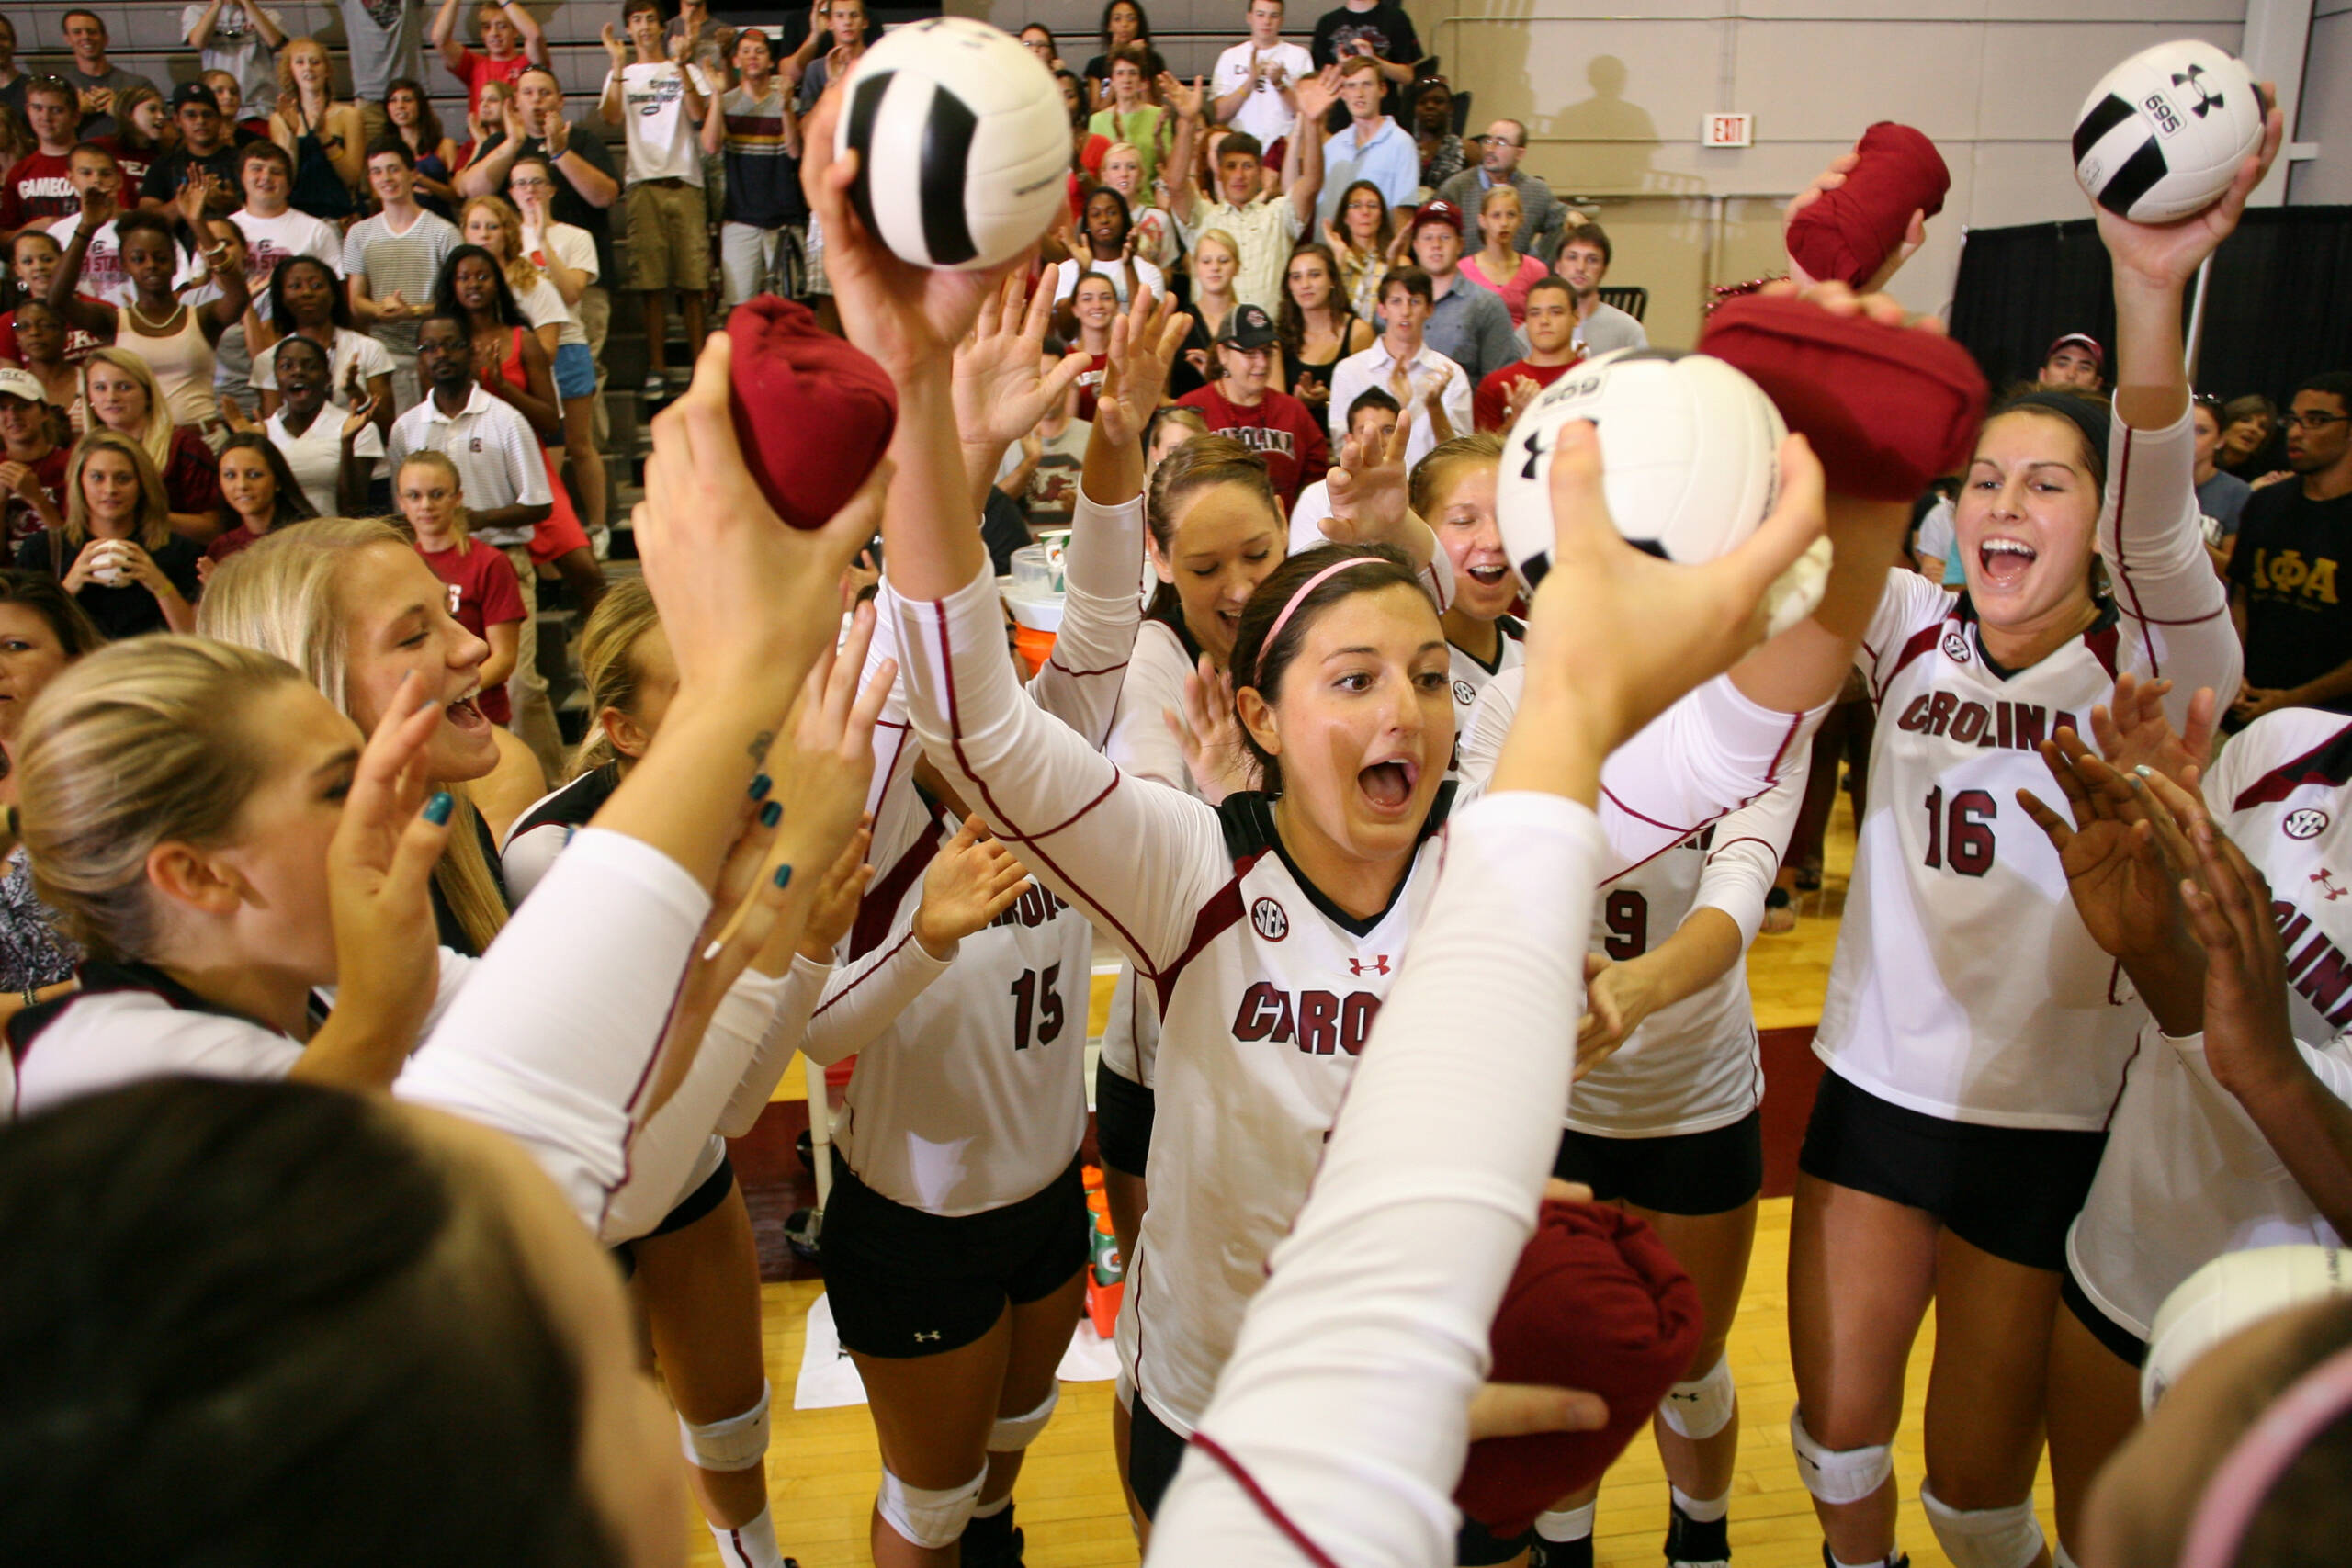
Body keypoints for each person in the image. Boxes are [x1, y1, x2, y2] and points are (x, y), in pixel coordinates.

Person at [1781, 109, 2273, 1568]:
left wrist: (2144, 282)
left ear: (2093, 521)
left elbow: (2163, 513)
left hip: (2052, 1119)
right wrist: (1844, 293)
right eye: (1983, 478)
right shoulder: (1909, 627)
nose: (2005, 500)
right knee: (1836, 1440)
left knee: (1975, 1499)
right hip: (1876, 1086)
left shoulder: (2157, 666)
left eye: (2046, 482)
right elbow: (1811, 471)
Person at [389, 310, 562, 771]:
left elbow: (540, 502)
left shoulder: (505, 419)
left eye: (450, 344)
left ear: (470, 351)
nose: (440, 355)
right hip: (431, 563)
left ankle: (542, 779)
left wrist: (468, 521)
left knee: (522, 684)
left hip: (499, 557)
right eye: (429, 347)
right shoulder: (406, 427)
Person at [456, 67, 622, 387]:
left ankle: (587, 438)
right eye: (528, 93)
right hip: (520, 279)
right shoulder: (500, 142)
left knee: (584, 373)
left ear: (560, 101)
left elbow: (605, 196)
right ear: (515, 103)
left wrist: (560, 152)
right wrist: (513, 142)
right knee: (524, 368)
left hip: (577, 269)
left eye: (544, 93)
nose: (537, 101)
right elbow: (469, 190)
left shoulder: (583, 139)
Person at [53, 195, 248, 450]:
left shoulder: (201, 317)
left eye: (160, 257)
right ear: (124, 264)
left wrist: (197, 224)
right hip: (141, 445)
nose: (151, 265)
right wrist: (86, 228)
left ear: (175, 261)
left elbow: (238, 296)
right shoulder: (113, 321)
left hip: (204, 440)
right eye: (139, 258)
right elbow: (57, 299)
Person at [601, 0, 712, 400]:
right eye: (636, 21)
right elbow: (611, 117)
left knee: (694, 282)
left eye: (650, 20)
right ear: (628, 29)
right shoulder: (623, 74)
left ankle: (703, 367)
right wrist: (615, 67)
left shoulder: (686, 67)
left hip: (685, 179)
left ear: (663, 27)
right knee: (651, 284)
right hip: (642, 183)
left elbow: (700, 113)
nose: (645, 27)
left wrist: (682, 65)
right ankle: (657, 367)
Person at [2227, 372, 2352, 726]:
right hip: (2247, 705)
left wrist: (2292, 700)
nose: (2297, 432)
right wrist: (2235, 672)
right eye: (2293, 420)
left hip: (2329, 723)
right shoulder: (2266, 502)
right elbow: (2241, 597)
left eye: (2317, 421)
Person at [1164, 68, 1338, 314]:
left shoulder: (1278, 215)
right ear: (1219, 171)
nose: (1239, 175)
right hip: (1214, 343)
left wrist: (1310, 122)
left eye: (1247, 166)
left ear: (1260, 171)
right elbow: (1175, 184)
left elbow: (1311, 183)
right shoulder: (1203, 217)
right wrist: (1188, 122)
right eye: (1231, 166)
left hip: (1271, 341)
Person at [0, 569, 96, 992]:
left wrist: (22, 1009)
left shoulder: (123, 784)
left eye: (14, 647)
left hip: (97, 1039)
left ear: (74, 663)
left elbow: (175, 962)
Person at [15, 430, 200, 637]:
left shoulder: (179, 551)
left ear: (142, 484)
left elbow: (192, 638)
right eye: (97, 477)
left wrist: (160, 584)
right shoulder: (43, 550)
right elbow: (24, 636)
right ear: (80, 482)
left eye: (123, 478)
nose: (110, 489)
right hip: (77, 669)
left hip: (152, 666)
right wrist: (68, 588)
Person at [399, 448, 521, 730]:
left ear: (457, 498)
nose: (426, 505)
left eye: (437, 494)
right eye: (414, 496)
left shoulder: (490, 562)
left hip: (480, 713)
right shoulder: (399, 566)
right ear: (401, 502)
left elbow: (503, 658)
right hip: (421, 712)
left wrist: (450, 692)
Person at [345, 140, 462, 414]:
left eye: (393, 169)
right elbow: (355, 301)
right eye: (376, 171)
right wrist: (381, 309)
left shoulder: (444, 233)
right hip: (382, 355)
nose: (385, 178)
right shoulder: (359, 233)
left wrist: (414, 311)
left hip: (433, 354)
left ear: (412, 173)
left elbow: (456, 302)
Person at [1177, 302, 1329, 507]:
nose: (1262, 363)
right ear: (1223, 354)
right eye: (1250, 353)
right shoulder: (1191, 409)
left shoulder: (1294, 412)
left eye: (1267, 352)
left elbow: (1317, 489)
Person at [703, 27, 807, 308]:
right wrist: (715, 95)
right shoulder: (726, 103)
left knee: (788, 308)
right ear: (735, 61)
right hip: (739, 217)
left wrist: (785, 107)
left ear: (771, 61)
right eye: (745, 52)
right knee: (740, 308)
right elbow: (710, 145)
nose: (753, 57)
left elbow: (795, 151)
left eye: (759, 52)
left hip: (784, 216)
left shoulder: (790, 103)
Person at [1326, 265, 1468, 467]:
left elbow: (1460, 457)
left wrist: (1434, 406)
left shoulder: (1451, 373)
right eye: (1396, 301)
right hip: (1370, 487)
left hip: (1432, 488)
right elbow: (1344, 449)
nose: (1405, 311)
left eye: (1415, 301)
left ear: (1429, 309)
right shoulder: (1350, 371)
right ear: (1382, 309)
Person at [77, 347, 223, 542]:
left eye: (123, 387)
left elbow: (215, 528)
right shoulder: (82, 451)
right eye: (100, 388)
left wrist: (142, 516)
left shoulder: (185, 447)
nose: (111, 397)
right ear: (89, 397)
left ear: (147, 394)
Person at [250, 252, 397, 439]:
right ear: (282, 298)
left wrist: (355, 392)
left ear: (333, 293)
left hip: (359, 448)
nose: (307, 292)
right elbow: (274, 431)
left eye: (316, 285)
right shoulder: (268, 360)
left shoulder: (369, 348)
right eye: (296, 286)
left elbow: (386, 427)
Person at [250, 333, 380, 518]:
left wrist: (347, 444)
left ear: (327, 377)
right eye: (287, 366)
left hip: (335, 537)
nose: (298, 372)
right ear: (276, 378)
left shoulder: (358, 428)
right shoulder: (260, 433)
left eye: (310, 366)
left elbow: (355, 509)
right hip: (278, 539)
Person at [1400, 198, 1516, 383]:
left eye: (1445, 237)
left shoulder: (1486, 305)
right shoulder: (1397, 303)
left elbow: (1498, 380)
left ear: (1460, 245)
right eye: (1428, 237)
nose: (1436, 244)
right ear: (1416, 246)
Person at [1437, 118, 1569, 262]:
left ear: (1520, 153)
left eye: (1500, 143)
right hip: (1465, 279)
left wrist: (1539, 262)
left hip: (1519, 279)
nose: (1490, 149)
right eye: (1487, 141)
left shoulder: (1536, 190)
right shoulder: (1457, 187)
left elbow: (1562, 220)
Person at [1275, 241, 1372, 426]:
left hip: (1344, 442)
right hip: (1296, 439)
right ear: (1288, 286)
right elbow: (1273, 407)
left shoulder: (1358, 332)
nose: (1305, 284)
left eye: (1314, 275)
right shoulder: (1279, 336)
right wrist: (1295, 403)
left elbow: (1370, 404)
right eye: (1296, 277)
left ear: (1332, 280)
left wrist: (1329, 399)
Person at [268, 36, 363, 220]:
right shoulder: (280, 118)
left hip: (341, 215)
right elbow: (287, 180)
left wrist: (324, 135)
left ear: (327, 70)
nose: (308, 68)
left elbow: (352, 177)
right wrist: (291, 135)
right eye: (300, 62)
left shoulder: (349, 115)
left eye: (315, 62)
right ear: (291, 71)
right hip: (298, 216)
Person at [1474, 274, 1582, 432]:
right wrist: (1516, 419)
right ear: (1526, 321)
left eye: (1556, 312)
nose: (1544, 321)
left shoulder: (1595, 376)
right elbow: (1480, 454)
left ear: (1576, 318)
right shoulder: (1496, 385)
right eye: (1535, 313)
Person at [1317, 55, 1416, 227]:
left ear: (1382, 89)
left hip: (1380, 250)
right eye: (1351, 86)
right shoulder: (1332, 147)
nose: (1359, 94)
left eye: (1367, 84)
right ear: (1342, 93)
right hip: (1334, 249)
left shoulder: (1401, 143)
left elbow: (1404, 214)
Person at [206, 426, 314, 570]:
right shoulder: (221, 548)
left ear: (277, 481)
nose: (242, 485)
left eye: (254, 475)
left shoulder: (308, 539)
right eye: (230, 475)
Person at [1212, 0, 1314, 151]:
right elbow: (1220, 114)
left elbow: (1308, 111)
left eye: (1274, 16)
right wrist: (1250, 81)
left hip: (1284, 147)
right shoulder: (1230, 56)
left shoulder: (1299, 56)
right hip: (1240, 149)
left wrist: (1280, 85)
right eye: (1260, 15)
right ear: (1249, 17)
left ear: (1282, 21)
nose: (1267, 22)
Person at [140, 82, 243, 219]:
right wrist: (187, 199)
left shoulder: (244, 160)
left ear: (219, 119)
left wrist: (234, 206)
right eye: (191, 115)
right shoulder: (163, 165)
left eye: (207, 114)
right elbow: (145, 219)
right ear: (177, 121)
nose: (200, 121)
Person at [1053, 185, 1166, 308]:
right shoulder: (1065, 271)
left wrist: (1128, 266)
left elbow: (1145, 319)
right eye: (1096, 214)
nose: (1104, 220)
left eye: (1112, 213)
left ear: (1124, 220)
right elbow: (1064, 323)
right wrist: (1083, 271)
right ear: (1086, 224)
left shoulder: (1149, 272)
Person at [53, 8, 152, 142]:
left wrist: (121, 108)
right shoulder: (59, 88)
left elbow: (166, 134)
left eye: (92, 32)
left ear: (105, 39)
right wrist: (74, 110)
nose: (85, 37)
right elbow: (48, 133)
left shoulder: (138, 85)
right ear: (67, 39)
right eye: (77, 32)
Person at [435, 0, 547, 116]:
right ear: (482, 34)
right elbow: (440, 39)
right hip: (484, 133)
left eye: (502, 26)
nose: (494, 33)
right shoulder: (473, 65)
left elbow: (535, 36)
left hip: (519, 133)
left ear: (515, 30)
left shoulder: (528, 65)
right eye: (487, 27)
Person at [1459, 182, 1549, 327]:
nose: (1504, 223)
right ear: (1482, 220)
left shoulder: (1536, 270)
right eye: (1496, 216)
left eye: (1511, 215)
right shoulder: (1463, 270)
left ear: (1520, 220)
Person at [184, 0, 286, 127]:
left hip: (258, 111)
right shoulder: (196, 11)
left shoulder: (268, 14)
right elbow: (198, 42)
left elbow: (274, 41)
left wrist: (248, 4)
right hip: (217, 110)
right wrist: (217, 4)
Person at [0, 76, 79, 238]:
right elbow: (4, 238)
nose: (46, 118)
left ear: (76, 117)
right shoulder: (19, 172)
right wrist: (27, 232)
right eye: (37, 108)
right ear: (27, 110)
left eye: (56, 110)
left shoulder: (98, 163)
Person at [1089, 45, 1170, 193]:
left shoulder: (1158, 115)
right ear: (1111, 80)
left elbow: (1167, 166)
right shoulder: (1097, 120)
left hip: (1149, 202)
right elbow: (1096, 172)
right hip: (1112, 202)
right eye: (1120, 73)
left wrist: (1157, 139)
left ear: (1141, 81)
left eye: (1132, 73)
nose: (1126, 79)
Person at [0, 364, 64, 550]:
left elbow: (73, 549)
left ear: (45, 413)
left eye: (23, 406)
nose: (13, 415)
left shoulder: (71, 463)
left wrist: (37, 498)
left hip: (57, 574)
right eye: (2, 408)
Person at [384, 76, 459, 213]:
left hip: (440, 222)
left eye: (407, 100)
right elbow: (377, 198)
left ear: (420, 105)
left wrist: (421, 179)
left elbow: (457, 197)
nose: (400, 106)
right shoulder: (384, 150)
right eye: (393, 101)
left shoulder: (445, 145)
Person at [2193, 392, 2253, 567]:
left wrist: (2188, 539)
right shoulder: (2150, 485)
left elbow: (2232, 568)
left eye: (2201, 431)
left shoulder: (2236, 492)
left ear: (2220, 440)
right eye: (2183, 429)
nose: (2190, 438)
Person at [1096, 141, 1172, 272]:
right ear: (1104, 175)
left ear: (1141, 174)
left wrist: (1140, 256)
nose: (1124, 173)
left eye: (1131, 167)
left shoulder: (1160, 219)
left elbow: (1168, 277)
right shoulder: (1094, 220)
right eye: (1115, 167)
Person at [5, 298, 80, 415]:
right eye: (24, 327)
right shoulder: (12, 390)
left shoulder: (89, 381)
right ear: (17, 338)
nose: (34, 332)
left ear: (64, 333)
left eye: (45, 325)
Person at [1083, 0, 1154, 108]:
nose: (1124, 24)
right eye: (1117, 19)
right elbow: (1096, 113)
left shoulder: (1153, 61)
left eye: (1131, 19)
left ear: (1139, 24)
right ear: (1109, 26)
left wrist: (1141, 61)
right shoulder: (1096, 65)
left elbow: (1155, 109)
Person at [107, 83, 172, 196]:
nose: (161, 116)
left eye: (163, 111)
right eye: (152, 110)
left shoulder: (165, 156)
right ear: (129, 114)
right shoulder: (103, 148)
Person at [1408, 75, 1464, 189]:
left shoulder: (1466, 150)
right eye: (1423, 102)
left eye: (1438, 101)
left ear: (1450, 108)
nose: (1430, 106)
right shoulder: (1404, 148)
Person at [2217, 392, 2278, 478]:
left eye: (2262, 426)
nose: (2253, 429)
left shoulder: (2258, 478)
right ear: (2226, 424)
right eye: (2245, 420)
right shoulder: (2199, 461)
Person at [2041, 331, 2106, 393]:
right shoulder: (2030, 403)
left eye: (2084, 368)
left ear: (2096, 383)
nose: (2071, 375)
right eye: (2062, 364)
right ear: (2043, 375)